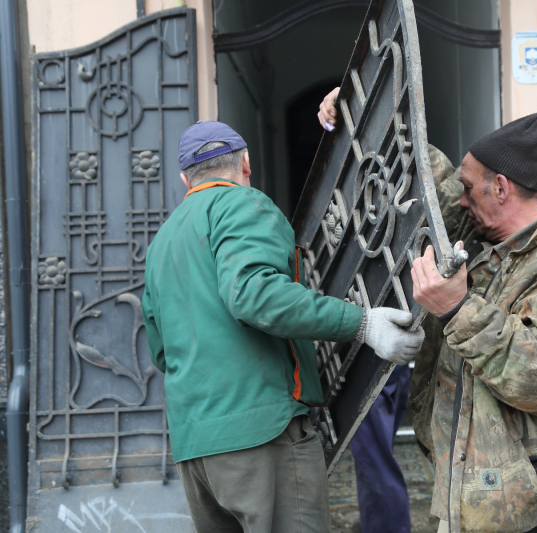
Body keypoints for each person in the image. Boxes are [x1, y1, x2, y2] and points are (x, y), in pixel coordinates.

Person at [320, 93, 537, 533]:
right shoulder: (488, 229)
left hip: (523, 508)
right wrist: (357, 109)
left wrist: (458, 308)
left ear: (501, 187)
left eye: (470, 189)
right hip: (478, 490)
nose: (461, 201)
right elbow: (429, 180)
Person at [141, 120, 424, 533]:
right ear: (247, 164)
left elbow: (162, 352)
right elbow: (255, 296)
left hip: (195, 448)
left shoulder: (162, 241)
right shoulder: (242, 204)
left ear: (185, 179)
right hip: (262, 437)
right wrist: (364, 324)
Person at [318, 87, 415, 533]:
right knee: (376, 451)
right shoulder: (373, 185)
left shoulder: (389, 185)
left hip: (378, 337)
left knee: (373, 456)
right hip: (388, 329)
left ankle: (387, 527)